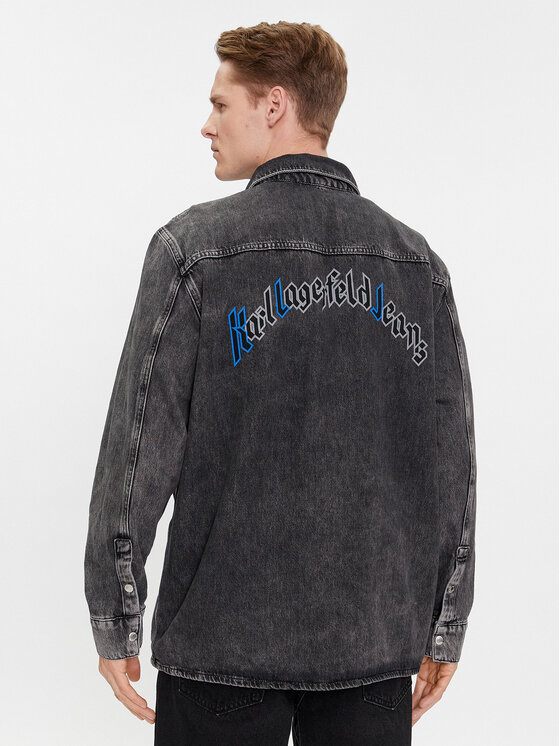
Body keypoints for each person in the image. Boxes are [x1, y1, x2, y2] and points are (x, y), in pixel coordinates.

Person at [83, 20, 477, 746]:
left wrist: (115, 613)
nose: (206, 125)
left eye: (220, 104)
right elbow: (451, 466)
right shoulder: (417, 266)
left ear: (274, 104)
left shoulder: (192, 252)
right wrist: (445, 622)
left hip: (220, 648)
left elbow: (138, 448)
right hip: (372, 649)